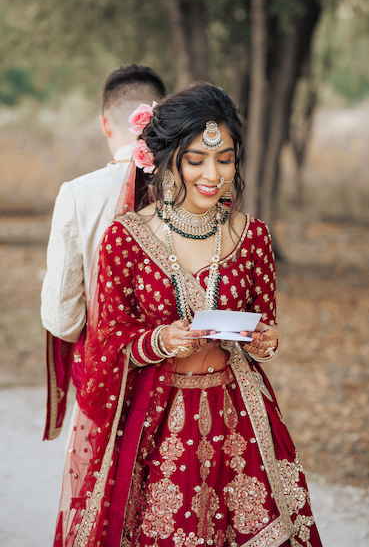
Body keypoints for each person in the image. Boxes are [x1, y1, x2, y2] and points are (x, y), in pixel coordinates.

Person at [54, 82, 322, 547]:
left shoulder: (252, 236)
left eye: (225, 159)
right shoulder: (126, 238)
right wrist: (160, 341)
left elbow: (266, 324)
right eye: (196, 159)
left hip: (238, 418)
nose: (212, 174)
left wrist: (264, 340)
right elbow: (108, 338)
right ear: (166, 158)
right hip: (156, 427)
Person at [41, 64, 166, 439]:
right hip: (182, 376)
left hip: (107, 378)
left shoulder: (78, 194)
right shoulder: (197, 187)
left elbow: (61, 318)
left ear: (105, 123)